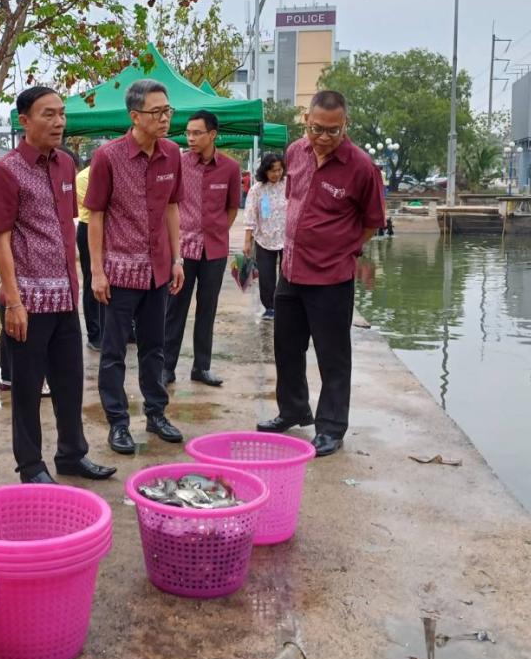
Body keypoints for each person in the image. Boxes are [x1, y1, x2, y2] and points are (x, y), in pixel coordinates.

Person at [0, 86, 116, 485]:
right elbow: (1, 239)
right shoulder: (6, 171)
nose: (59, 121)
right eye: (48, 114)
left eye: (62, 113)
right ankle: (30, 466)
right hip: (27, 300)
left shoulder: (64, 164)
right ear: (24, 120)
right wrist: (13, 302)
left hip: (64, 296)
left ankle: (72, 454)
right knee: (26, 389)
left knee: (69, 381)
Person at [257, 90, 387, 457]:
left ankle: (330, 427)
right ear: (306, 122)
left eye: (334, 130)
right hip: (292, 269)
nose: (324, 137)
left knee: (332, 356)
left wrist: (344, 248)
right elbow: (294, 200)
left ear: (346, 125)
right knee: (286, 346)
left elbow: (372, 222)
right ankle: (293, 409)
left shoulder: (361, 167)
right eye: (317, 129)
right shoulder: (296, 152)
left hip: (331, 277)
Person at [84, 78, 185, 455]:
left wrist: (177, 260)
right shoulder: (108, 157)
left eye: (167, 111)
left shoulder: (172, 154)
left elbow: (173, 208)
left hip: (158, 269)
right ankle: (118, 422)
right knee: (113, 352)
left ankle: (156, 414)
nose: (164, 118)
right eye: (156, 112)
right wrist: (96, 271)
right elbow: (95, 216)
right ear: (135, 116)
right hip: (119, 272)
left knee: (154, 347)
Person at [163, 110, 240, 388]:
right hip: (183, 249)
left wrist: (218, 230)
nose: (191, 138)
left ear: (212, 135)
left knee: (207, 309)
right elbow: (169, 204)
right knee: (175, 309)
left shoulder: (230, 168)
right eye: (188, 133)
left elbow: (232, 207)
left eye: (197, 133)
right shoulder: (180, 164)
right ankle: (166, 368)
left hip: (214, 251)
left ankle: (201, 367)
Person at [243, 152, 287, 320]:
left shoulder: (288, 185)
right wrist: (247, 241)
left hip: (286, 238)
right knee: (266, 275)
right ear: (265, 171)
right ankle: (269, 306)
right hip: (264, 238)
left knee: (287, 274)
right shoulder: (257, 190)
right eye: (272, 170)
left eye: (279, 170)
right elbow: (250, 215)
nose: (276, 174)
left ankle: (284, 304)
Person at [74, 156, 104, 352]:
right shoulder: (84, 177)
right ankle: (94, 334)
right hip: (89, 229)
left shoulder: (109, 174)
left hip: (109, 229)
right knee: (92, 279)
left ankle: (113, 330)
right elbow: (94, 207)